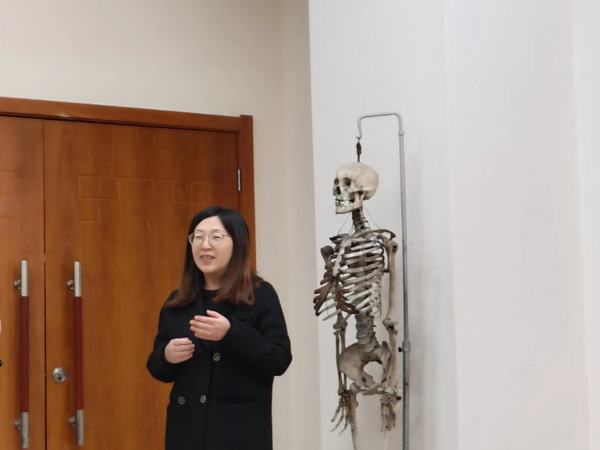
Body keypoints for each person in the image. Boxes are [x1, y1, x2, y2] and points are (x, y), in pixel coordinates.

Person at [147, 206, 292, 450]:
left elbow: (279, 359)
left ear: (238, 244)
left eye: (216, 237)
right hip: (186, 434)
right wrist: (166, 356)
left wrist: (231, 333)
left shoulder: (259, 294)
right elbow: (157, 368)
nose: (205, 245)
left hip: (239, 434)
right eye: (198, 237)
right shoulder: (177, 302)